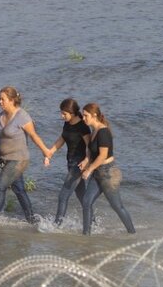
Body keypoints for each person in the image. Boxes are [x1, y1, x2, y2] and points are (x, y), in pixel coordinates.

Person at [0, 86, 52, 225]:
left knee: (0, 186)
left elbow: (34, 136)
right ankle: (32, 219)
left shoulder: (22, 116)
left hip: (19, 160)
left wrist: (45, 152)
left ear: (11, 100)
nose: (0, 102)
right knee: (19, 189)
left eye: (2, 99)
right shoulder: (0, 116)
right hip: (5, 160)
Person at [79, 102, 136, 235]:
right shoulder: (94, 131)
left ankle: (132, 234)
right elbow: (92, 152)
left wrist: (89, 170)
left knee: (117, 206)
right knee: (86, 201)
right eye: (82, 115)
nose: (83, 118)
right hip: (98, 173)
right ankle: (86, 235)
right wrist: (86, 161)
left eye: (86, 115)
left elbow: (103, 155)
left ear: (94, 115)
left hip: (109, 173)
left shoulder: (103, 131)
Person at [47, 98, 96, 227]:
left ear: (72, 113)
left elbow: (89, 146)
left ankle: (56, 226)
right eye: (61, 113)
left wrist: (87, 161)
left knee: (63, 196)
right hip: (70, 162)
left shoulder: (83, 127)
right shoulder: (67, 123)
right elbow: (62, 138)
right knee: (83, 197)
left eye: (64, 113)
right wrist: (50, 152)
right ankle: (94, 224)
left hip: (79, 165)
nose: (62, 116)